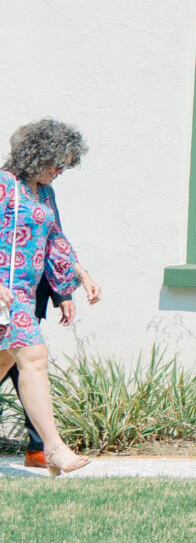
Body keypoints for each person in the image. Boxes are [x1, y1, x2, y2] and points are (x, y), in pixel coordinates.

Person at [0, 120, 96, 475]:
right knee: (34, 356)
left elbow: (56, 240)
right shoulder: (4, 185)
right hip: (3, 295)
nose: (60, 171)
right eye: (57, 162)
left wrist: (78, 278)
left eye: (66, 165)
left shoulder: (44, 192)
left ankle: (49, 450)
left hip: (22, 296)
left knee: (6, 363)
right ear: (36, 154)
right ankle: (53, 449)